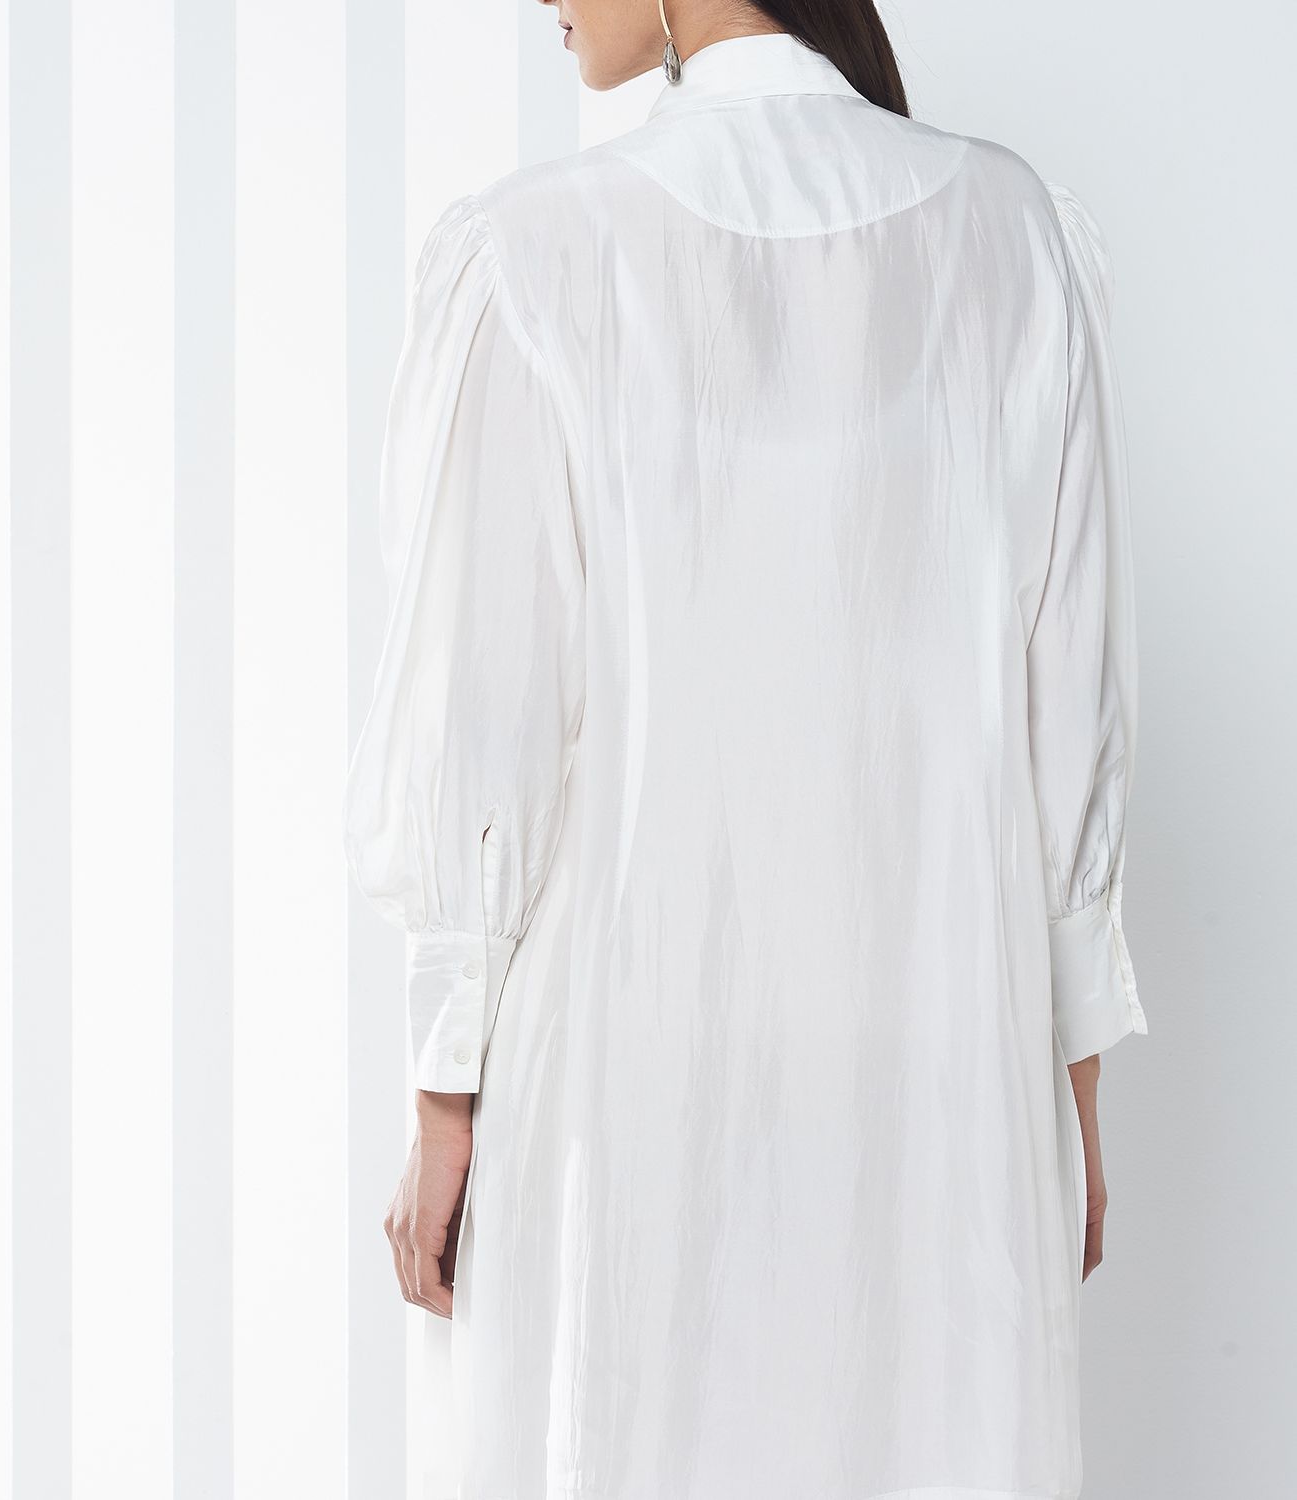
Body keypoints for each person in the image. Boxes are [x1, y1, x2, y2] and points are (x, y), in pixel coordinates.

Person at [342, 2, 1148, 1495]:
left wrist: (446, 1101)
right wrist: (1071, 1092)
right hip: (945, 1064)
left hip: (627, 1066)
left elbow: (483, 720)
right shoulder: (1014, 239)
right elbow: (1067, 715)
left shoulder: (540, 255)